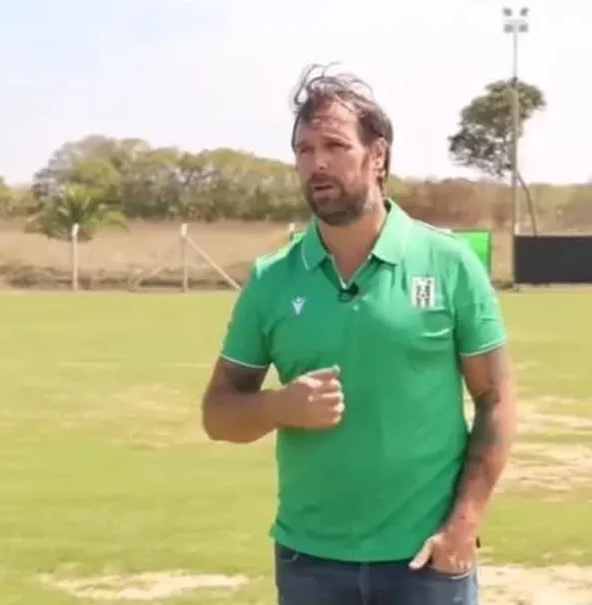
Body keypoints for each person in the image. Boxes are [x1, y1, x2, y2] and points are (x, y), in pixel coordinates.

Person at [200, 64, 518, 605]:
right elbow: (218, 413)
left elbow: (496, 397)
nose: (317, 163)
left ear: (378, 156)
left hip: (425, 560)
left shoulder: (448, 264)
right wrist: (279, 407)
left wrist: (464, 524)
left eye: (335, 145)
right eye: (304, 150)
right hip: (311, 565)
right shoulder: (272, 279)